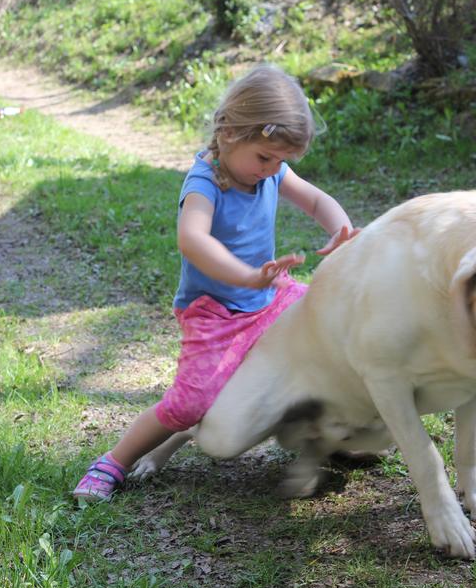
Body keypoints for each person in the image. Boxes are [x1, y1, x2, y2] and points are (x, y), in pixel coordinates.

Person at [73, 64, 358, 501]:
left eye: (280, 161)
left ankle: (333, 428)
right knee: (190, 403)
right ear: (228, 133)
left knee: (332, 321)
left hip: (268, 299)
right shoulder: (204, 182)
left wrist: (341, 230)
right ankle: (113, 462)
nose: (272, 169)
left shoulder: (272, 171)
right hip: (215, 314)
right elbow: (192, 240)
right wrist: (246, 275)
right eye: (264, 158)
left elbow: (317, 200)